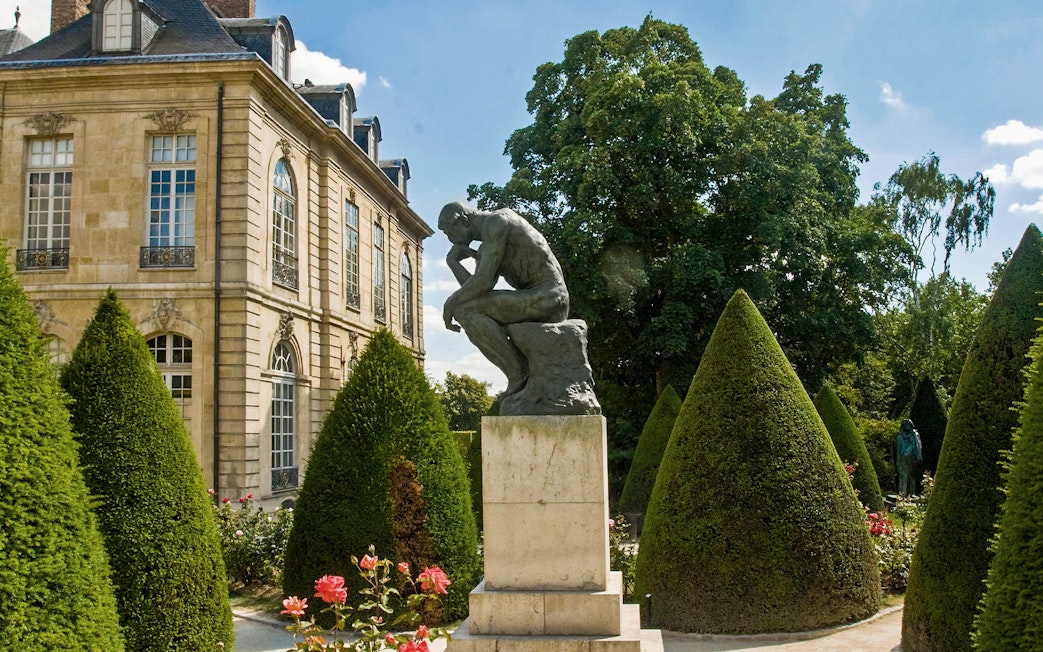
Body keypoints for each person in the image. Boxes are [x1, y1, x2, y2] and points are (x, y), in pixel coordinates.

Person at [439, 201, 569, 396]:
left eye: (450, 232)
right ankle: (519, 372)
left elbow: (482, 283)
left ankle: (519, 372)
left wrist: (450, 304)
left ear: (464, 220)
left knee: (463, 310)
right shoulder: (485, 247)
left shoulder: (497, 222)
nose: (451, 240)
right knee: (466, 309)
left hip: (550, 295)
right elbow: (476, 291)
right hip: (533, 297)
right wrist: (453, 263)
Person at [896, 418, 923, 496]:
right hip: (903, 458)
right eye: (904, 424)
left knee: (912, 476)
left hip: (913, 458)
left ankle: (911, 493)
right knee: (903, 476)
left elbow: (918, 446)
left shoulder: (915, 435)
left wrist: (919, 456)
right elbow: (898, 450)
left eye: (908, 424)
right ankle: (902, 494)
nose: (906, 426)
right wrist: (898, 461)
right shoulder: (900, 437)